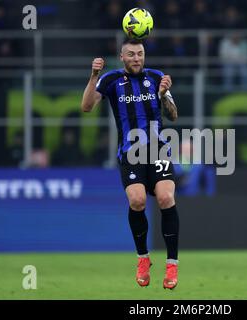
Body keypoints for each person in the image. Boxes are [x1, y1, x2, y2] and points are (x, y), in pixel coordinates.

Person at [81, 38, 180, 290]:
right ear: (122, 57)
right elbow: (86, 107)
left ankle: (171, 264)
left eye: (140, 54)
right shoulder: (111, 80)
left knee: (166, 198)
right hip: (131, 152)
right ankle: (143, 259)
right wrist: (94, 76)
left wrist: (164, 95)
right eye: (131, 54)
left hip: (158, 148)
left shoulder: (157, 77)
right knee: (137, 201)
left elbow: (173, 115)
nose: (137, 58)